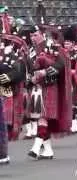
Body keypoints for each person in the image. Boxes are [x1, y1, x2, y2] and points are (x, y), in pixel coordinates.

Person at [28, 25, 72, 160]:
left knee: (43, 117)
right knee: (40, 117)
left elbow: (60, 64)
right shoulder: (31, 50)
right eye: (31, 36)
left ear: (42, 34)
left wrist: (44, 72)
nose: (33, 38)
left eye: (35, 35)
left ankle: (36, 147)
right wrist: (30, 78)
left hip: (50, 85)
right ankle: (47, 150)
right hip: (36, 87)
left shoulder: (52, 46)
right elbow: (27, 67)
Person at [0, 34, 27, 164]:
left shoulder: (15, 57)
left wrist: (7, 77)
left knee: (4, 123)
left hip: (7, 90)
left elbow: (19, 72)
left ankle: (2, 153)